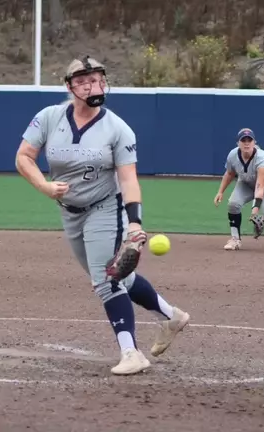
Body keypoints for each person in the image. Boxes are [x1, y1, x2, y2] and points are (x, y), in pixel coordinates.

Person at [15, 56, 190, 376]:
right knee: (118, 276)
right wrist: (43, 185)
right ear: (69, 87)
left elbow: (128, 179)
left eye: (97, 80)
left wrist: (134, 222)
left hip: (105, 208)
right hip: (70, 213)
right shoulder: (49, 118)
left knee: (105, 280)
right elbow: (24, 156)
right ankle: (172, 316)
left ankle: (131, 352)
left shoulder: (118, 129)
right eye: (84, 81)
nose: (93, 86)